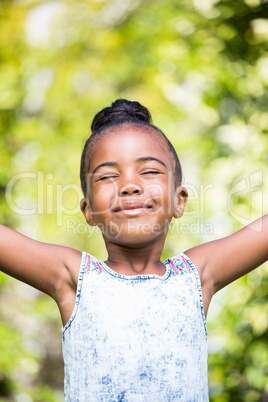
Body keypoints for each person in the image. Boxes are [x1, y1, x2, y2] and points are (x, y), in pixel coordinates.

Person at [0, 99, 267, 401]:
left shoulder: (196, 276)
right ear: (88, 210)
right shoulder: (74, 278)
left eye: (150, 171)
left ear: (179, 200)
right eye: (108, 176)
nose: (129, 185)